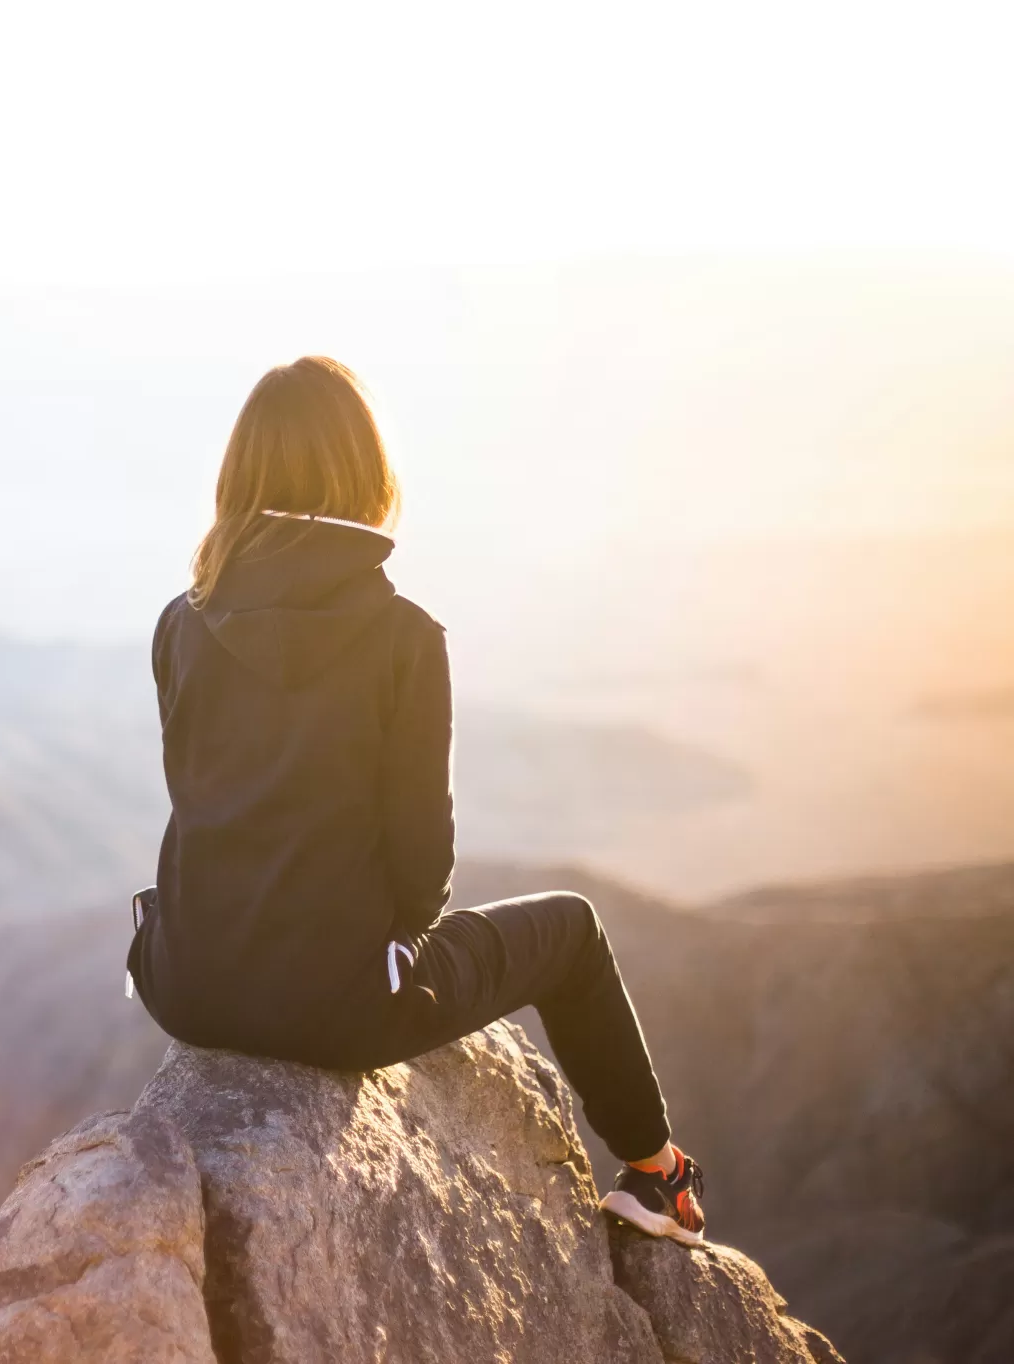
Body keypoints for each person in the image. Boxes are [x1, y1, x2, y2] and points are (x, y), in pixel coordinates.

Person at [126, 355, 705, 1245]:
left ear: (239, 475)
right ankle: (656, 1173)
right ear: (366, 475)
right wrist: (380, 953)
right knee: (575, 930)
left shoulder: (180, 619)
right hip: (340, 1008)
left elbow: (198, 797)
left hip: (184, 983)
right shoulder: (403, 638)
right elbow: (423, 870)